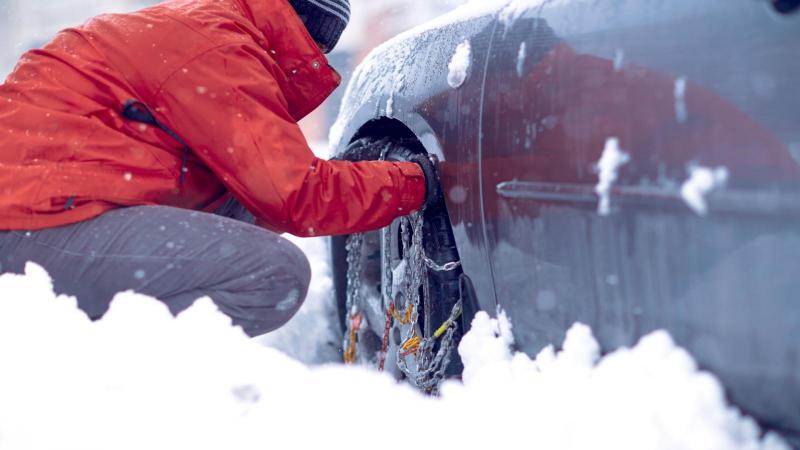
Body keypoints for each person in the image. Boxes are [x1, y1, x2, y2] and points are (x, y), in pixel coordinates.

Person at [0, 0, 438, 336]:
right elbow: (298, 197)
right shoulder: (222, 50)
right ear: (306, 30)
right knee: (273, 275)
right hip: (31, 224)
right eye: (323, 42)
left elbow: (266, 196)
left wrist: (357, 180)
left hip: (37, 213)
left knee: (243, 209)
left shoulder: (205, 28)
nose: (323, 53)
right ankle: (110, 375)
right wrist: (423, 180)